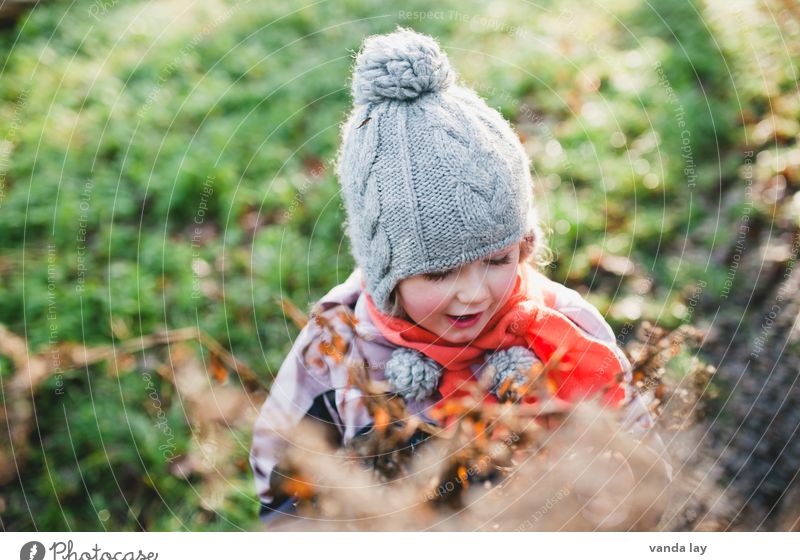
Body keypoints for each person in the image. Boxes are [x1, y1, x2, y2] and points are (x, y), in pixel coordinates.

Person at [250, 26, 670, 527]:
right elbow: (285, 491)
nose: (474, 294)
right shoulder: (338, 353)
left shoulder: (566, 330)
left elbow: (642, 462)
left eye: (497, 260)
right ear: (387, 274)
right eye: (440, 272)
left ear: (524, 246)